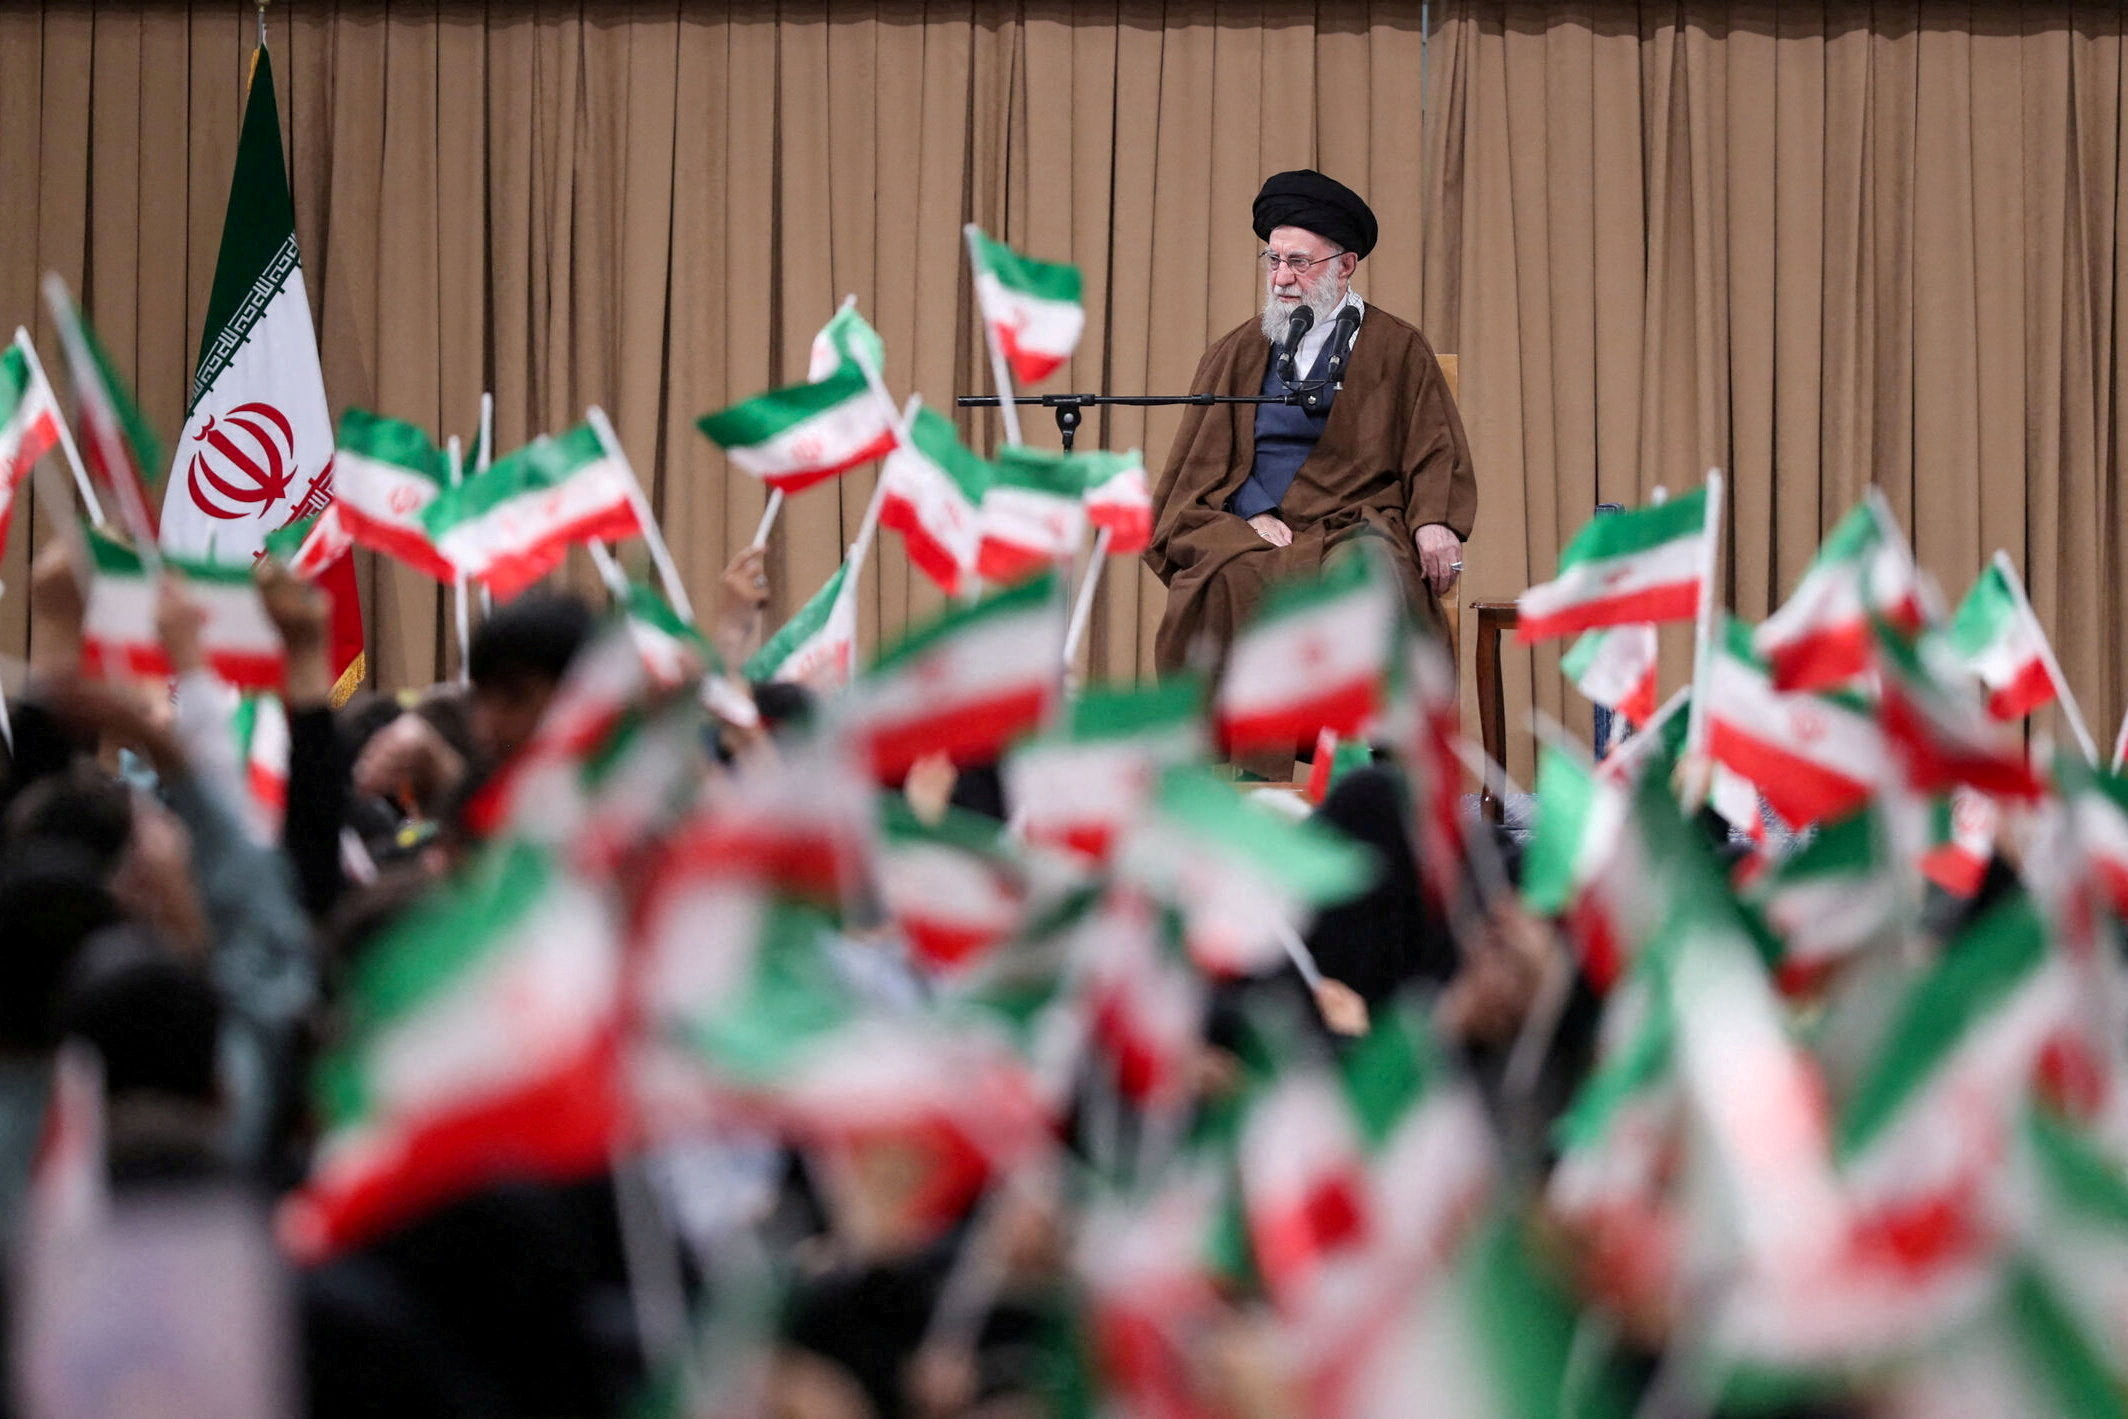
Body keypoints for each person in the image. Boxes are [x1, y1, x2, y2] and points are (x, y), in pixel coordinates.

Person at [1145, 169, 1478, 686]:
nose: (1280, 277)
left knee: (1365, 576)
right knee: (1218, 574)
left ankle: (1362, 756)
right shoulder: (1236, 350)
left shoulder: (1397, 347)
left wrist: (1435, 520)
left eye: (1298, 262)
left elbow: (1434, 445)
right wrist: (1253, 510)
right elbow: (1204, 460)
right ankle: (1241, 755)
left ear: (1345, 266)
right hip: (1253, 522)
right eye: (1274, 260)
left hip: (1355, 521)